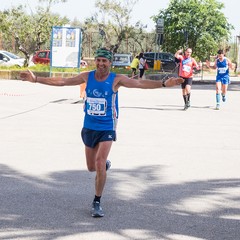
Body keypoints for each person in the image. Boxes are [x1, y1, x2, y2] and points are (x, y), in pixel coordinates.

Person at [19, 47, 184, 218]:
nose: (101, 63)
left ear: (110, 63)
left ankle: (97, 201)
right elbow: (62, 81)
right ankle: (103, 167)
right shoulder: (86, 76)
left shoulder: (116, 79)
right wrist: (36, 79)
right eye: (98, 60)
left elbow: (140, 84)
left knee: (99, 162)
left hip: (107, 127)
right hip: (89, 127)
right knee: (92, 167)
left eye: (104, 61)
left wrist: (164, 83)